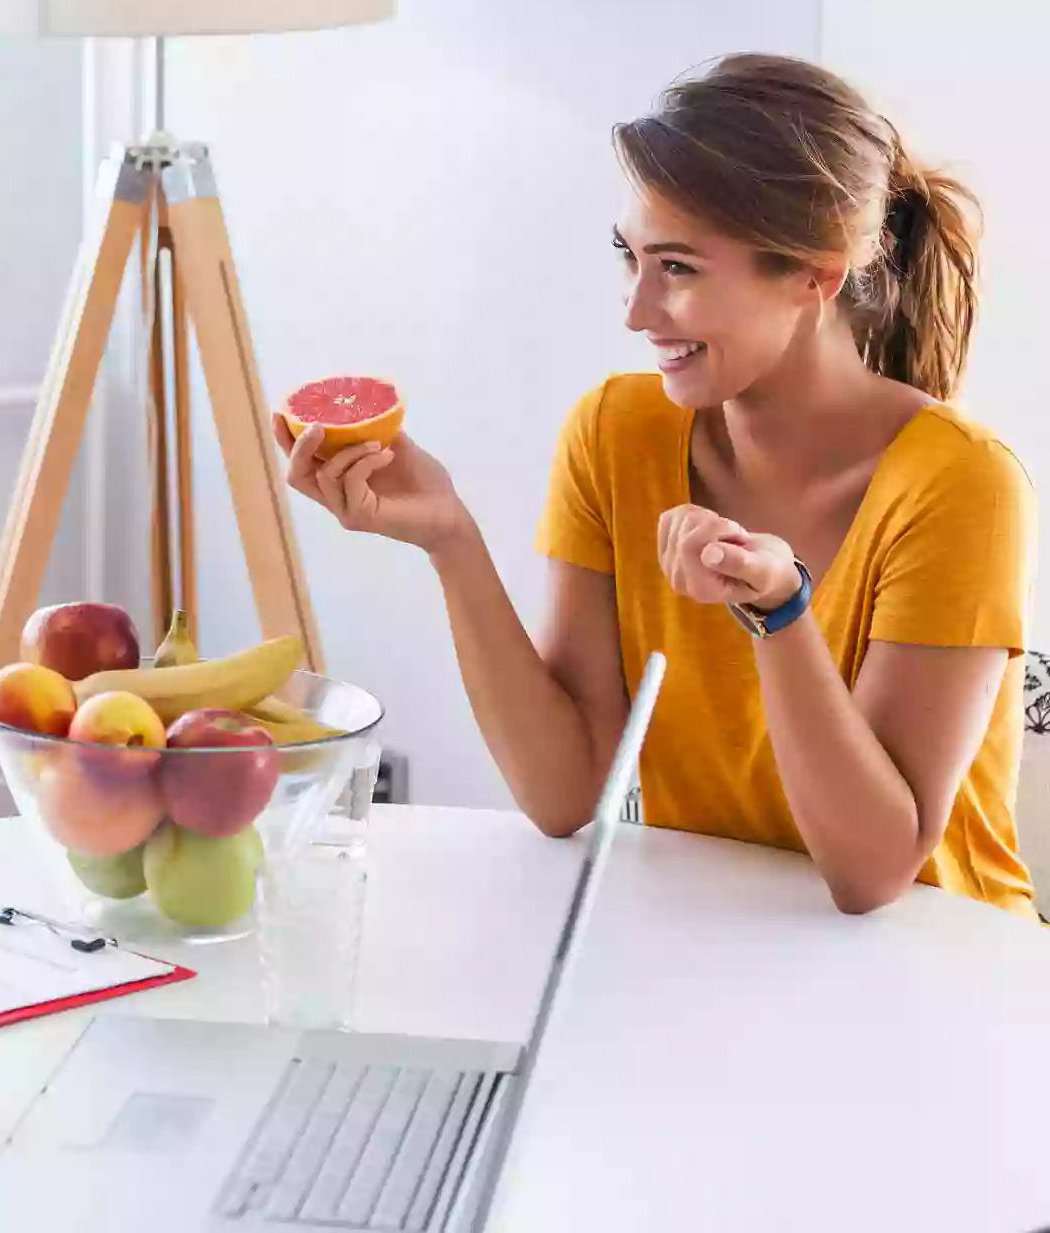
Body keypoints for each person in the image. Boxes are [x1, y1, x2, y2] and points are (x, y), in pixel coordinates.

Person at [279, 52, 1036, 918]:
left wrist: (783, 614)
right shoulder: (615, 433)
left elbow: (872, 873)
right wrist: (450, 539)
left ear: (815, 276)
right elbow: (564, 793)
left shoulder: (961, 484)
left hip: (947, 967)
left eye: (677, 269)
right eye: (629, 259)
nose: (635, 311)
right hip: (711, 939)